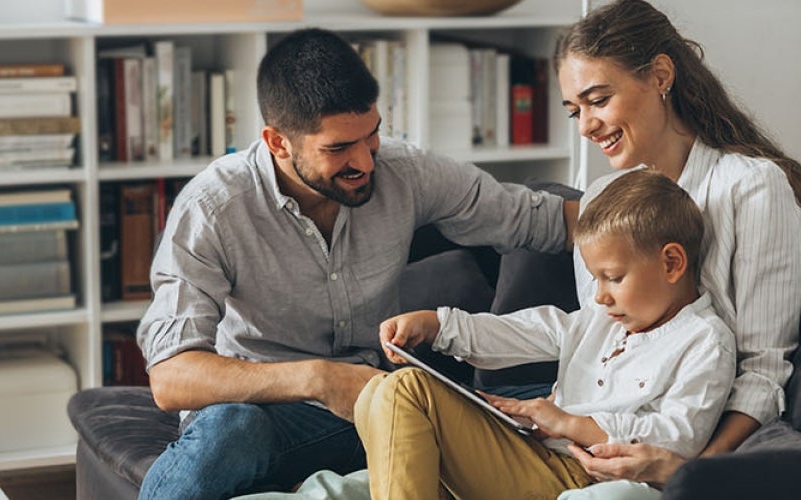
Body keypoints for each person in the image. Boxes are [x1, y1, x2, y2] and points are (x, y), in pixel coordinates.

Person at [133, 28, 576, 500]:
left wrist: (654, 210)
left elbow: (540, 219)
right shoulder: (214, 207)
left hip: (382, 400)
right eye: (338, 148)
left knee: (557, 394)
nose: (365, 162)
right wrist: (319, 378)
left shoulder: (405, 172)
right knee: (230, 427)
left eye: (372, 135)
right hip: (268, 415)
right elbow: (170, 377)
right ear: (277, 142)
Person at [551, 0, 801, 495]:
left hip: (677, 449)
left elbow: (763, 369)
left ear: (659, 76)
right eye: (575, 110)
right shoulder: (599, 201)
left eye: (598, 99)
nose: (586, 125)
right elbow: (600, 338)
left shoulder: (752, 189)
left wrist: (688, 473)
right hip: (589, 443)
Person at [355, 169, 738, 500]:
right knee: (378, 392)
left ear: (671, 263)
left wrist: (569, 423)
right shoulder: (600, 319)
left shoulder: (704, 341)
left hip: (582, 477)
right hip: (536, 456)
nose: (601, 296)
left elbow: (679, 437)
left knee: (405, 390)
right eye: (596, 279)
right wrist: (438, 326)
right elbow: (524, 330)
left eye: (614, 278)